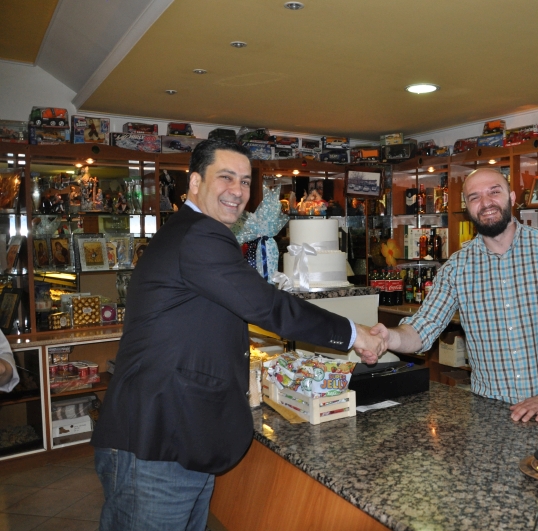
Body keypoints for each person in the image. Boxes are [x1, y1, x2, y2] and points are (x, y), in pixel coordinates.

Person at [91, 139, 386, 531]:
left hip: (178, 434)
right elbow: (268, 306)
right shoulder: (199, 235)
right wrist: (354, 334)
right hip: (157, 438)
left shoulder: (191, 231)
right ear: (195, 182)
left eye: (245, 181)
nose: (238, 191)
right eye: (226, 177)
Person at [370, 168, 538, 423]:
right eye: (475, 197)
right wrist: (388, 338)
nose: (486, 203)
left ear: (512, 197)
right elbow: (422, 329)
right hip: (491, 412)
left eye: (494, 192)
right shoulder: (456, 268)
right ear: (468, 208)